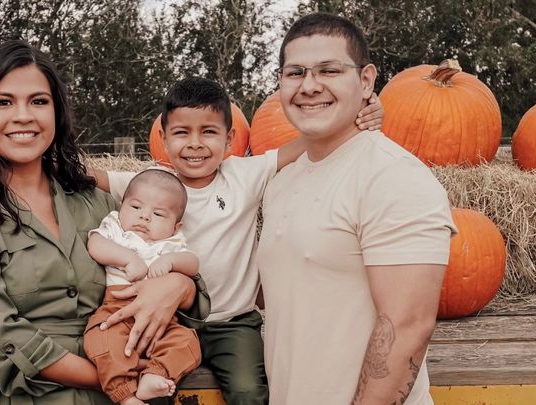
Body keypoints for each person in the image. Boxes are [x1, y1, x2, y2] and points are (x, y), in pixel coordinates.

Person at [0, 40, 208, 405]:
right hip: (26, 395)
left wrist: (177, 286)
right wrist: (117, 379)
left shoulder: (95, 202)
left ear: (57, 113)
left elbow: (175, 275)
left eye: (39, 101)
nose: (23, 116)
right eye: (3, 102)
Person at [91, 76, 383, 405]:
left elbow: (301, 145)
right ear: (163, 138)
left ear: (229, 139)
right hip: (168, 318)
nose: (195, 144)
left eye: (208, 132)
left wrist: (356, 114)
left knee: (248, 391)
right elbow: (92, 176)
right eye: (182, 132)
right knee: (151, 386)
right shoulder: (150, 186)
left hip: (233, 323)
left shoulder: (244, 175)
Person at [256, 12, 457, 405]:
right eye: (295, 73)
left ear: (366, 81)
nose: (309, 86)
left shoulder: (393, 177)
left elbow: (408, 327)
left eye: (329, 70)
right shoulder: (282, 181)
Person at [83, 169, 201, 405]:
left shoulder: (170, 242)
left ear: (176, 226)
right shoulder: (117, 227)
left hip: (163, 319)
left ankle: (155, 375)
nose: (144, 217)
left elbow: (193, 263)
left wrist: (171, 261)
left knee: (188, 342)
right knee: (101, 341)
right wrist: (128, 258)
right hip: (116, 309)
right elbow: (95, 243)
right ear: (122, 206)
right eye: (136, 207)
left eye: (158, 214)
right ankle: (125, 395)